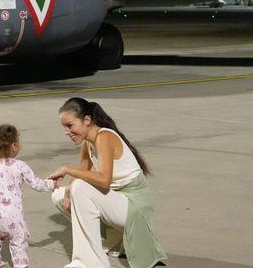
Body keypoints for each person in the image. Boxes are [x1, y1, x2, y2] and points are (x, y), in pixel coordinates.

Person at [49, 98, 167, 268]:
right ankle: (114, 240)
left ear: (87, 120)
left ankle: (90, 263)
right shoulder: (88, 142)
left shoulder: (105, 137)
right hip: (116, 201)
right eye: (64, 127)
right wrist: (68, 189)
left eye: (70, 125)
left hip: (134, 205)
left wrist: (67, 170)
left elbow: (104, 181)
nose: (67, 132)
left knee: (80, 188)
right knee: (59, 196)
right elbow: (83, 169)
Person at [0, 124, 56, 268]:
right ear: (13, 146)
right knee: (18, 243)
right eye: (18, 142)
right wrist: (52, 184)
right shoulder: (20, 166)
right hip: (14, 218)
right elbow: (36, 183)